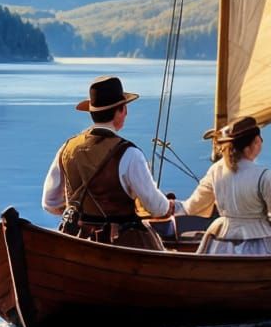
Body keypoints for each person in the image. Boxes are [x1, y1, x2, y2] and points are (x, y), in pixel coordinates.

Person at [41, 75, 174, 250]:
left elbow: (49, 203)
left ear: (92, 113)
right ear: (120, 110)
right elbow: (156, 207)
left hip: (76, 241)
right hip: (123, 245)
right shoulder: (130, 154)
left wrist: (80, 214)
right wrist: (168, 206)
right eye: (125, 108)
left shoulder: (66, 149)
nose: (126, 113)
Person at [183, 115, 271, 255]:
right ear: (253, 144)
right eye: (259, 138)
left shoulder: (215, 170)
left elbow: (193, 205)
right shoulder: (264, 176)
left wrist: (171, 207)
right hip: (260, 241)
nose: (261, 141)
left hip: (221, 241)